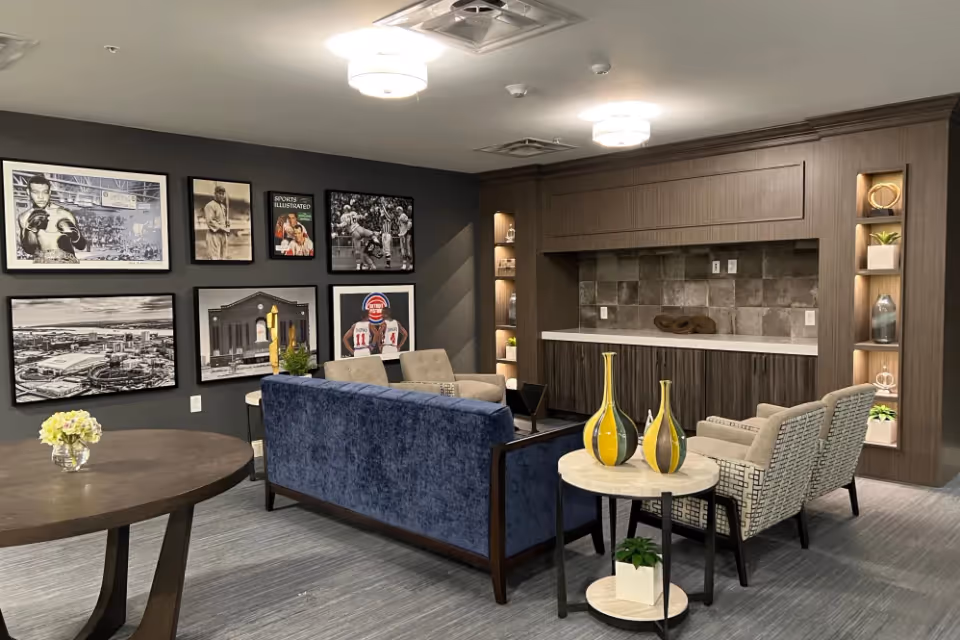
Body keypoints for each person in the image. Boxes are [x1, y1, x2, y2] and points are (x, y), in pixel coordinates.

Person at [17, 174, 87, 264]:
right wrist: (31, 229)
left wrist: (75, 235)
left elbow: (81, 246)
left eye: (45, 192)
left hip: (67, 261)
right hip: (43, 262)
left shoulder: (64, 214)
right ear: (28, 192)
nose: (41, 197)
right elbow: (30, 250)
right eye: (35, 192)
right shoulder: (24, 217)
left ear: (49, 192)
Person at [332, 204, 376, 270]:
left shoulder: (343, 216)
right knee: (373, 235)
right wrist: (364, 216)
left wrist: (336, 225)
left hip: (354, 233)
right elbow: (361, 217)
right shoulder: (353, 213)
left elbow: (343, 224)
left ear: (344, 209)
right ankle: (372, 250)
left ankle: (358, 265)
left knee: (357, 250)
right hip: (360, 229)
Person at [202, 185, 230, 260]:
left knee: (223, 257)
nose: (221, 196)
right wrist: (224, 229)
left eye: (223, 194)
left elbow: (223, 220)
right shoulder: (209, 205)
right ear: (215, 194)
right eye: (219, 193)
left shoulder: (223, 206)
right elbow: (210, 221)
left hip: (223, 235)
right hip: (214, 234)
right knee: (214, 258)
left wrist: (227, 225)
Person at [380, 206, 399, 270]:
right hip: (384, 234)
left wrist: (383, 206)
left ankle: (388, 264)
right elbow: (382, 216)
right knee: (384, 250)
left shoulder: (389, 219)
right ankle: (387, 262)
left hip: (387, 234)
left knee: (387, 249)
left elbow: (386, 214)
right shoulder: (383, 220)